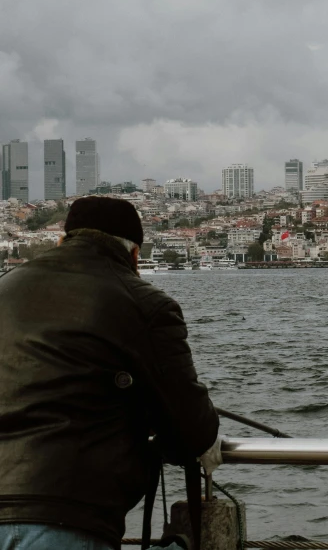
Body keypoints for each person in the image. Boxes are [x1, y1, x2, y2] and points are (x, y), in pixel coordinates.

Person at [0, 196, 219, 550]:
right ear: (135, 256)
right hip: (65, 516)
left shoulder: (5, 288)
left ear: (62, 240)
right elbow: (192, 434)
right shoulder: (146, 305)